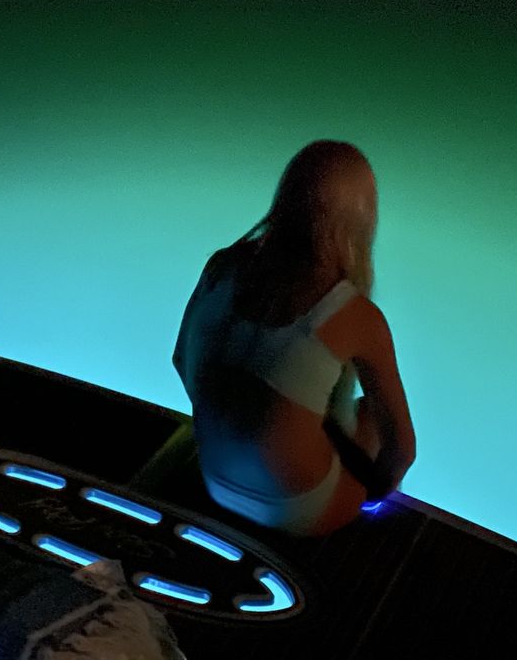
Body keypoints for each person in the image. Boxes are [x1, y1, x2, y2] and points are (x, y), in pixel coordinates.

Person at [172, 141, 416, 535]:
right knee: (370, 414)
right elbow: (402, 450)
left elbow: (181, 360)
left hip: (215, 480)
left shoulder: (222, 266)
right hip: (299, 510)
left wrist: (240, 420)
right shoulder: (356, 316)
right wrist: (368, 493)